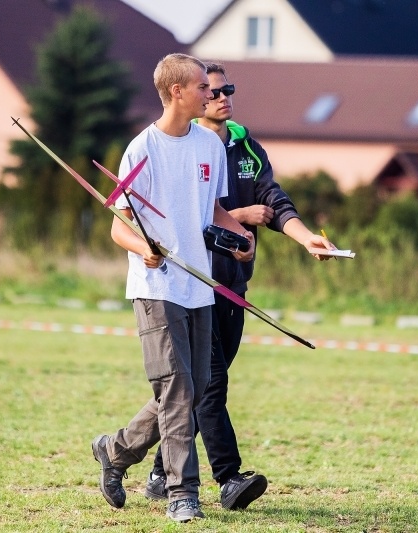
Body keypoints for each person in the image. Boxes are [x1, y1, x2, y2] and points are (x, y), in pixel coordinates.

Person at [144, 62, 336, 510]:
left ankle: (153, 468)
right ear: (188, 96)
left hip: (234, 287)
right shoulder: (184, 147)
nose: (222, 97)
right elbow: (190, 211)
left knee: (196, 389)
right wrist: (240, 215)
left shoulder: (247, 147)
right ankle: (228, 479)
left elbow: (275, 202)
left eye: (226, 89)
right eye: (210, 91)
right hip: (195, 285)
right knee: (209, 386)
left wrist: (306, 238)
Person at [91, 53, 255, 523]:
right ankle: (184, 493)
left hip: (198, 285)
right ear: (177, 92)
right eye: (204, 87)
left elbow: (214, 210)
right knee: (178, 388)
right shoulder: (141, 149)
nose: (213, 93)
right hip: (155, 285)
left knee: (194, 385)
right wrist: (142, 247)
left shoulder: (209, 146)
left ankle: (115, 452)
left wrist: (239, 237)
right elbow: (118, 225)